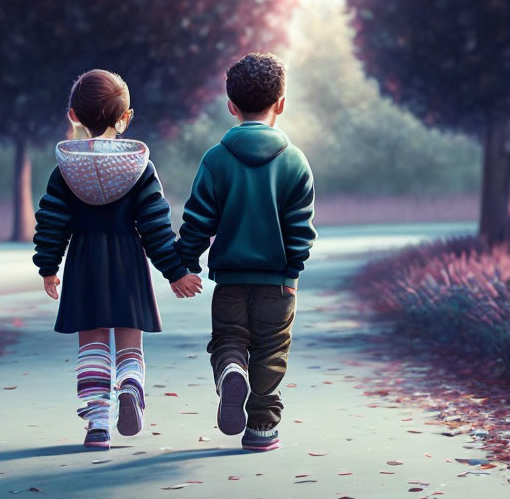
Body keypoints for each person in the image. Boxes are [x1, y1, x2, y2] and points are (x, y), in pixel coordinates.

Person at [33, 69, 202, 450]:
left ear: (74, 116)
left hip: (84, 263)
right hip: (129, 262)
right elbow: (156, 226)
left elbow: (52, 221)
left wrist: (48, 266)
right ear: (125, 118)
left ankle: (97, 424)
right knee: (130, 344)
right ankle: (130, 384)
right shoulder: (140, 167)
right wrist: (176, 272)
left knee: (91, 344)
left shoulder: (65, 169)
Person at [177, 53, 316, 452]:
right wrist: (292, 271)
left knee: (228, 340)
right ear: (282, 104)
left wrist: (187, 262)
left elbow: (198, 219)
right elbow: (300, 230)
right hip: (277, 283)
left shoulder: (216, 160)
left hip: (230, 281)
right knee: (272, 351)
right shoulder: (295, 162)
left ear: (231, 107)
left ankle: (231, 371)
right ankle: (261, 428)